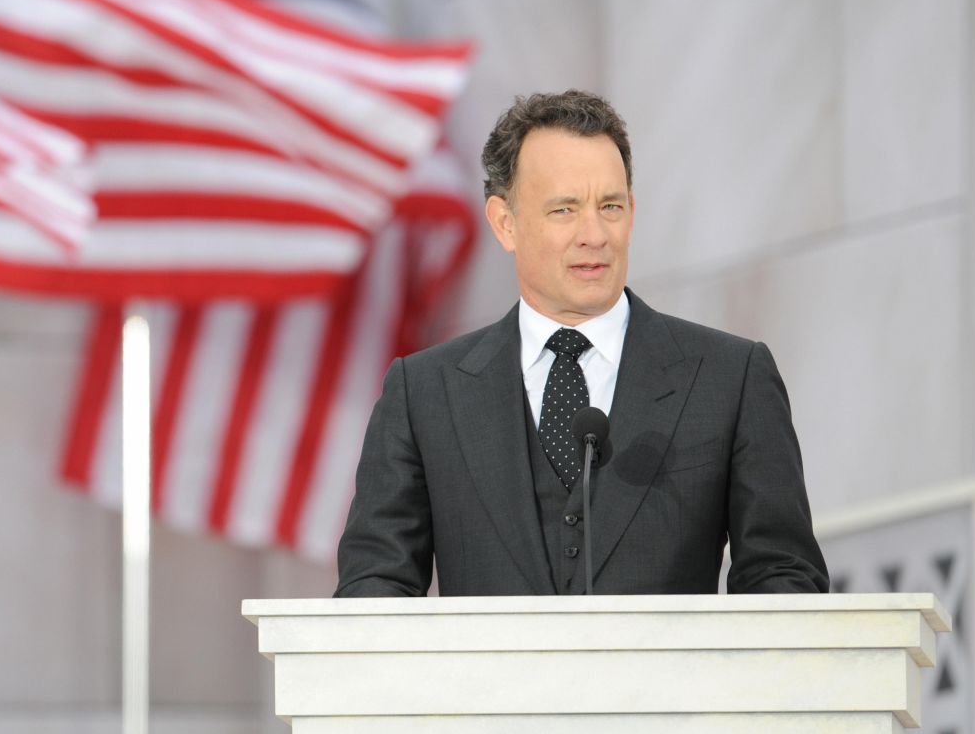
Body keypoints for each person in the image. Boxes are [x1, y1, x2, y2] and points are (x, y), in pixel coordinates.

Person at [335, 90, 828, 597]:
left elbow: (784, 579)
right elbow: (374, 591)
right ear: (505, 223)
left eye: (609, 206)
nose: (594, 234)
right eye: (564, 210)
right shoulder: (424, 394)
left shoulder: (732, 377)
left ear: (631, 214)